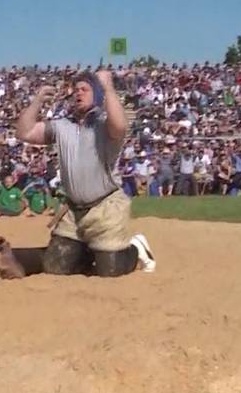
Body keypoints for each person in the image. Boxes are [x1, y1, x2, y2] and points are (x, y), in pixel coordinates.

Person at [16, 69, 155, 277]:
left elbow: (120, 126)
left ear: (97, 94)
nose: (78, 93)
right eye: (76, 90)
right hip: (73, 210)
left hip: (105, 207)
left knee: (110, 270)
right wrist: (37, 101)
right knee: (56, 266)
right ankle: (88, 250)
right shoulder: (62, 126)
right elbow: (24, 133)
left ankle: (136, 248)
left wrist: (107, 86)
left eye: (85, 89)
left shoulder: (104, 124)